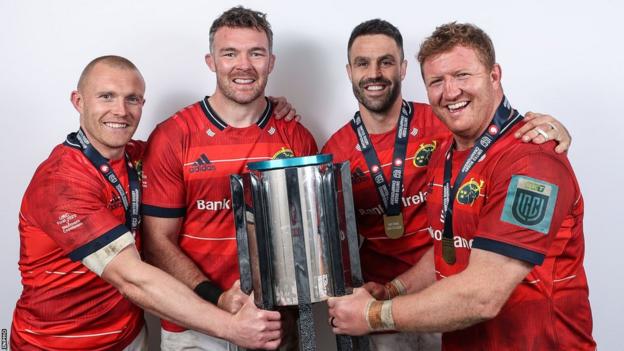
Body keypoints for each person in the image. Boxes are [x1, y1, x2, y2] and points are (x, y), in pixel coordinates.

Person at [327, 22, 596, 350]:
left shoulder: (533, 161)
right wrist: (394, 289)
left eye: (462, 75)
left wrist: (373, 315)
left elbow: (483, 297)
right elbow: (447, 249)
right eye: (437, 81)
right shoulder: (444, 154)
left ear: (494, 76)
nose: (450, 92)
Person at [10, 56, 284, 351]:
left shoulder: (140, 156)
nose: (120, 110)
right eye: (106, 96)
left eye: (132, 99)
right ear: (78, 101)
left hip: (130, 337)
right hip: (54, 344)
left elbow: (196, 152)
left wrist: (266, 109)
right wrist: (231, 328)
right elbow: (132, 279)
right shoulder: (61, 181)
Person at [141, 6, 318, 351]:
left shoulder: (296, 138)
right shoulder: (173, 136)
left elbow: (307, 239)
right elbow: (157, 242)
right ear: (211, 61)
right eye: (230, 53)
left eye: (256, 53)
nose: (244, 65)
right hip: (193, 324)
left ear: (271, 61)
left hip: (273, 325)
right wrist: (218, 298)